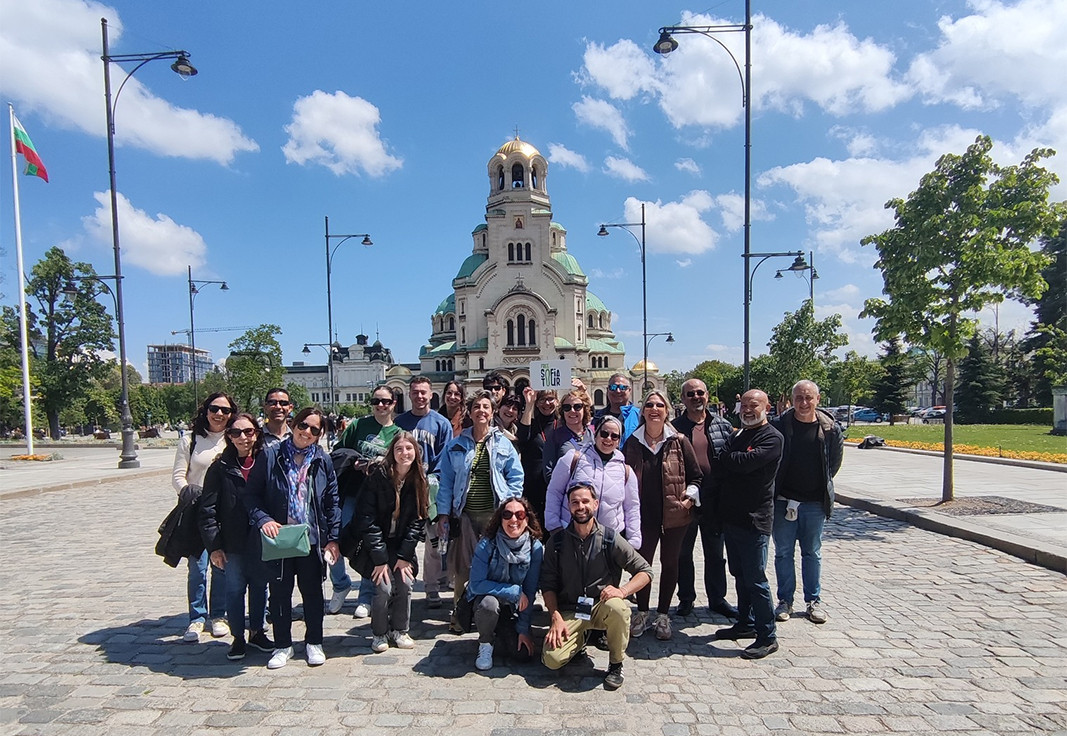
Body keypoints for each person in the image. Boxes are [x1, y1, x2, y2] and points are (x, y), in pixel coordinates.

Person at [243, 407, 341, 668]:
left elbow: (332, 501)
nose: (307, 432)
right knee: (280, 593)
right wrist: (264, 519)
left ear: (319, 435)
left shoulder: (322, 459)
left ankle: (314, 642)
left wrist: (333, 538)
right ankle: (283, 645)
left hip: (309, 538)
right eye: (303, 425)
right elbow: (251, 495)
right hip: (281, 537)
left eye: (314, 429)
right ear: (293, 424)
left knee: (312, 593)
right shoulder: (271, 454)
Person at [541, 482, 653, 690]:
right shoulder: (556, 542)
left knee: (619, 608)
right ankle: (580, 640)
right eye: (575, 502)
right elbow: (547, 584)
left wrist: (622, 591)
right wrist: (554, 616)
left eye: (585, 501)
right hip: (570, 609)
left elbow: (645, 571)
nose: (580, 506)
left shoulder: (610, 538)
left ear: (595, 504)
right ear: (568, 506)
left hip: (601, 607)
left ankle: (616, 664)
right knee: (552, 659)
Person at [435, 390, 524, 628]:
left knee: (495, 565)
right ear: (470, 412)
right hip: (465, 516)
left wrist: (511, 507)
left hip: (495, 517)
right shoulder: (455, 445)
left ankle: (494, 615)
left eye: (486, 407)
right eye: (476, 407)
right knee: (463, 568)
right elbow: (446, 482)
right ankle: (460, 616)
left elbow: (516, 477)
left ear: (492, 412)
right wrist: (443, 513)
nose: (481, 411)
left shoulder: (504, 443)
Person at [622, 389, 702, 642]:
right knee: (642, 566)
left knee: (670, 564)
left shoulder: (678, 440)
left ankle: (663, 614)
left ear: (667, 410)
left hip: (674, 516)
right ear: (643, 411)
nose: (654, 409)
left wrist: (689, 497)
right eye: (649, 405)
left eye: (659, 405)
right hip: (642, 516)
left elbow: (696, 475)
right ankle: (643, 612)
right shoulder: (632, 442)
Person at [714, 389, 784, 660]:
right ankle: (746, 623)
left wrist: (731, 459)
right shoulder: (739, 434)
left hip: (756, 519)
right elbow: (723, 463)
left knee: (756, 579)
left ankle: (767, 635)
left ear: (766, 407)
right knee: (740, 575)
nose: (747, 409)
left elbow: (743, 463)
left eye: (754, 405)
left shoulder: (772, 437)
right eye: (743, 404)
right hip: (732, 517)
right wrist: (731, 460)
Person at [344, 432, 429, 652]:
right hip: (376, 544)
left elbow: (419, 520)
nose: (404, 453)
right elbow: (366, 520)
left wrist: (404, 557)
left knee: (405, 582)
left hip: (400, 544)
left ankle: (400, 629)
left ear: (416, 452)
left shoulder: (419, 479)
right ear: (392, 452)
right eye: (399, 449)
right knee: (382, 586)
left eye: (409, 449)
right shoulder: (378, 477)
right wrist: (380, 559)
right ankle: (379, 633)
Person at [198, 412, 274, 660]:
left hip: (262, 539)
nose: (243, 437)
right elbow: (207, 510)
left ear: (257, 433)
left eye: (248, 431)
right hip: (233, 541)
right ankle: (238, 637)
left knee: (260, 587)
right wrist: (215, 547)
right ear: (229, 436)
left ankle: (257, 632)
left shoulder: (267, 460)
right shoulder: (219, 467)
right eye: (236, 432)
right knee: (234, 589)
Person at [770, 380, 843, 625]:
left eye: (808, 398)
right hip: (783, 501)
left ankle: (814, 600)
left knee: (812, 552)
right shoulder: (780, 425)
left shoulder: (830, 429)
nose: (804, 403)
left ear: (817, 399)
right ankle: (785, 600)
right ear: (792, 400)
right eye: (799, 398)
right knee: (783, 553)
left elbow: (832, 464)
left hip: (814, 503)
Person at [172, 392, 237, 642]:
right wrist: (191, 495)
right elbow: (179, 476)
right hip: (197, 512)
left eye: (225, 410)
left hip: (224, 513)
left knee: (220, 566)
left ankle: (218, 615)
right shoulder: (190, 440)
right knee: (197, 569)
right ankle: (197, 618)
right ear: (205, 410)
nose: (219, 414)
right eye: (214, 408)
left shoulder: (234, 439)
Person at [332, 386, 401, 618]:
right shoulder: (358, 426)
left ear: (394, 403)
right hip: (353, 491)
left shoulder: (398, 432)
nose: (380, 405)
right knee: (339, 535)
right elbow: (338, 452)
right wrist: (356, 463)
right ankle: (341, 583)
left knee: (370, 543)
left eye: (385, 401)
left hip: (378, 497)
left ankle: (365, 596)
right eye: (376, 401)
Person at [673, 378, 739, 620]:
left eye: (700, 393)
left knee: (715, 553)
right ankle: (686, 598)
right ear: (682, 399)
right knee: (683, 553)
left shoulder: (722, 425)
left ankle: (717, 599)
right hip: (686, 499)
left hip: (714, 500)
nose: (696, 397)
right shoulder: (674, 428)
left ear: (707, 396)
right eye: (690, 394)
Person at [394, 376, 454, 609]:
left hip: (430, 489)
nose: (420, 396)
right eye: (416, 392)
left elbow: (444, 459)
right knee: (400, 538)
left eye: (424, 392)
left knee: (433, 540)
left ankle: (431, 587)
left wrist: (434, 483)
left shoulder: (441, 424)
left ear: (431, 395)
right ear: (409, 394)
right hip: (403, 489)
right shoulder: (399, 422)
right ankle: (401, 584)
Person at [466, 496, 544, 671]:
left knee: (523, 655)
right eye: (507, 514)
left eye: (520, 514)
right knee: (489, 604)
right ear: (500, 519)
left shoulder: (535, 548)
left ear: (527, 518)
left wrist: (523, 629)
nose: (513, 520)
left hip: (514, 610)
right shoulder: (487, 544)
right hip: (487, 602)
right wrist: (513, 591)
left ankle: (502, 632)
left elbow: (530, 591)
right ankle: (485, 643)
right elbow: (476, 584)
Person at [544, 414, 641, 548]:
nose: (608, 439)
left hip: (609, 541)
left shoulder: (626, 472)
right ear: (595, 434)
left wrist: (633, 540)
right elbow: (554, 492)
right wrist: (554, 527)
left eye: (614, 436)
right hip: (572, 536)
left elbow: (632, 508)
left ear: (619, 441)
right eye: (604, 433)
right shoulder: (573, 459)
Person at [515, 387, 559, 524]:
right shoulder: (531, 424)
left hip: (556, 488)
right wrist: (529, 404)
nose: (547, 403)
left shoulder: (563, 425)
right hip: (532, 489)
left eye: (550, 398)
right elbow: (522, 437)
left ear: (557, 401)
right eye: (542, 399)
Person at [541, 389, 594, 483]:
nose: (572, 411)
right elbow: (549, 472)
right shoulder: (554, 437)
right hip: (566, 494)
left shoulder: (594, 435)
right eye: (567, 407)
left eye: (577, 407)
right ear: (562, 412)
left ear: (584, 409)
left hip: (592, 493)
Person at [594, 373, 640, 444]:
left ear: (629, 390)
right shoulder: (598, 417)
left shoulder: (640, 416)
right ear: (607, 390)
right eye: (613, 387)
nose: (618, 391)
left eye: (622, 387)